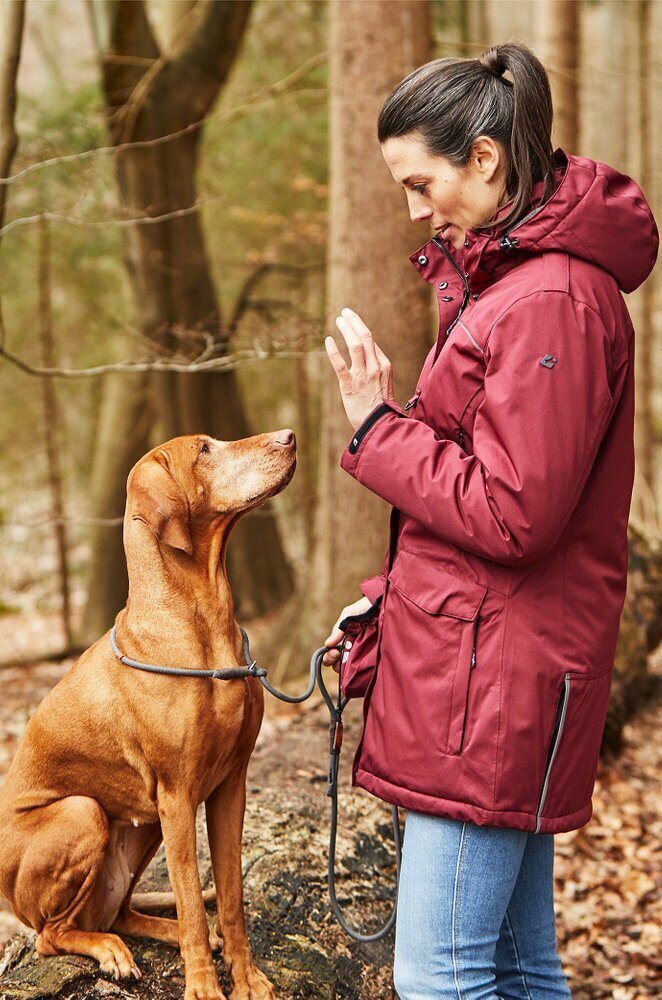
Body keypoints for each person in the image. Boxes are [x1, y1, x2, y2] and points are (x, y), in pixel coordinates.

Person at [321, 41, 658, 1000]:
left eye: (421, 182)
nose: (415, 209)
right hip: (489, 667)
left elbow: (516, 513)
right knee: (515, 966)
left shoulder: (549, 300)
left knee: (441, 979)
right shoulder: (523, 287)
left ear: (484, 159)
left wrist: (378, 430)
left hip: (493, 689)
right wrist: (388, 602)